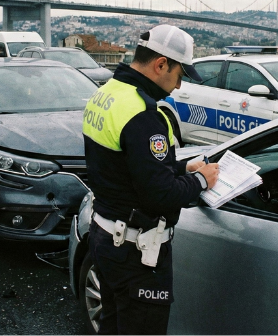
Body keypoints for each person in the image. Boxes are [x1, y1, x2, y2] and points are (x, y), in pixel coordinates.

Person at [83, 24, 220, 335]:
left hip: (104, 235)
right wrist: (201, 181)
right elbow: (160, 195)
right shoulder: (144, 114)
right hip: (136, 253)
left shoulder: (105, 95)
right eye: (179, 75)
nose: (179, 86)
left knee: (112, 325)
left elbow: (123, 166)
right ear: (161, 64)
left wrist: (181, 169)